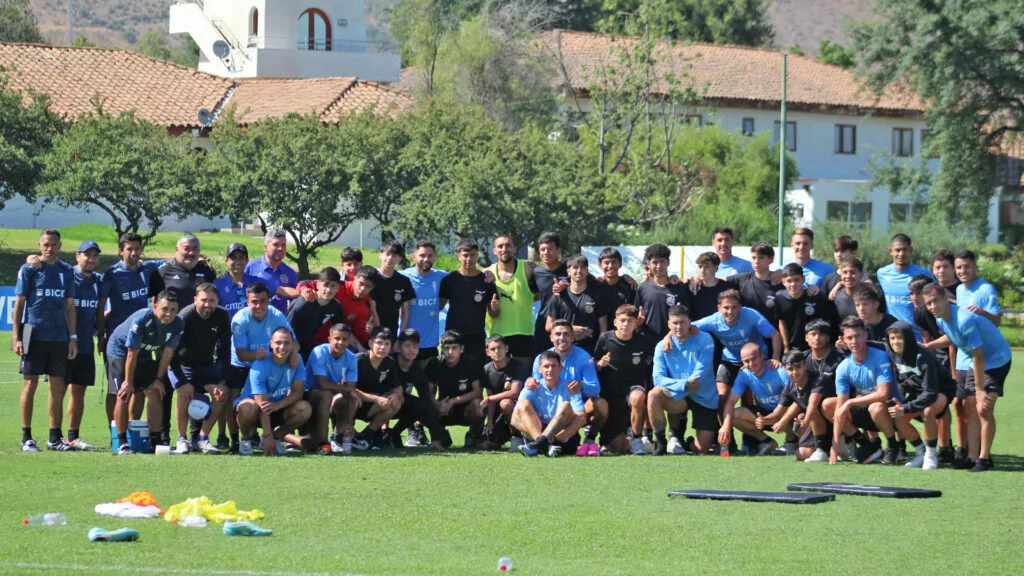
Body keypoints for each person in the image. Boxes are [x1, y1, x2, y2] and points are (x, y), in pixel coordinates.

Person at [922, 284, 1012, 472]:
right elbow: (952, 338)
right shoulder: (941, 319)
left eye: (935, 301)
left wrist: (980, 391)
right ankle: (972, 457)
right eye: (928, 303)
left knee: (983, 408)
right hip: (977, 361)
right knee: (969, 406)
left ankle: (984, 459)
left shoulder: (964, 319)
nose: (932, 307)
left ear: (945, 299)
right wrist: (928, 345)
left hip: (996, 360)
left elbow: (978, 356)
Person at [13, 229, 77, 452]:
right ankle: (26, 437)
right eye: (46, 244)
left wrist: (73, 337)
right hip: (33, 332)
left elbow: (70, 307)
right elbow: (19, 303)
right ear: (39, 245)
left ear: (60, 246)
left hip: (59, 336)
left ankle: (54, 438)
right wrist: (17, 335)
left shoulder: (66, 271)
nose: (50, 248)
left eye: (54, 245)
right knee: (29, 385)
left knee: (57, 388)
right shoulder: (30, 269)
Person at [823, 317, 910, 465]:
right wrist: (835, 441)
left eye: (857, 336)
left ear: (865, 335)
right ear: (844, 339)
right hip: (867, 412)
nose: (854, 341)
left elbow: (883, 394)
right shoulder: (843, 367)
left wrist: (851, 401)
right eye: (849, 338)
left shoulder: (881, 356)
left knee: (876, 406)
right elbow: (839, 408)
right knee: (828, 404)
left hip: (892, 411)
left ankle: (892, 446)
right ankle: (865, 444)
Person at [106, 291, 183, 454]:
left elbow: (168, 353)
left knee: (155, 391)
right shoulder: (142, 319)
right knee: (124, 393)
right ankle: (122, 442)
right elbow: (131, 353)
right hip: (120, 351)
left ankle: (154, 440)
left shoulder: (178, 323)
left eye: (173, 310)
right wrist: (128, 381)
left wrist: (158, 378)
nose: (169, 314)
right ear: (154, 306)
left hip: (146, 352)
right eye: (164, 309)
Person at [692, 290, 782, 422]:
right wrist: (667, 337)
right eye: (726, 308)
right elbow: (686, 326)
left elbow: (775, 335)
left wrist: (775, 358)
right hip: (730, 360)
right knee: (721, 397)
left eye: (734, 307)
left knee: (752, 400)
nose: (730, 311)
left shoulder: (750, 315)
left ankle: (757, 440)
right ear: (719, 308)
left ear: (740, 307)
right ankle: (727, 439)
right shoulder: (713, 320)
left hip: (756, 360)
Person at [227, 283, 297, 453]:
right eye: (254, 302)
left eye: (263, 301)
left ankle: (272, 437)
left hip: (266, 365)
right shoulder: (239, 319)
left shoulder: (276, 315)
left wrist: (294, 354)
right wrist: (259, 355)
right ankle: (238, 440)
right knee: (239, 405)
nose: (259, 306)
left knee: (266, 402)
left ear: (269, 301)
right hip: (242, 365)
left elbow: (292, 340)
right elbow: (242, 354)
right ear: (247, 302)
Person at [170, 283, 230, 454]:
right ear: (195, 299)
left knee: (220, 395)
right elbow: (172, 353)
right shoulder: (184, 317)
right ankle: (182, 439)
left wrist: (222, 381)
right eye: (203, 300)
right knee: (183, 392)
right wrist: (182, 381)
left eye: (212, 301)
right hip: (183, 365)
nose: (207, 305)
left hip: (206, 366)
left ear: (217, 300)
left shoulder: (222, 315)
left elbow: (225, 349)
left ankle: (202, 439)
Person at [649, 305, 717, 455]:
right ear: (669, 324)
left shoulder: (705, 339)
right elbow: (658, 379)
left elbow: (701, 373)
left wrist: (687, 384)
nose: (679, 326)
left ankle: (687, 443)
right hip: (681, 395)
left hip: (703, 396)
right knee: (654, 394)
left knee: (702, 449)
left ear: (689, 323)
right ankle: (661, 442)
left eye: (682, 322)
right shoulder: (662, 346)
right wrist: (684, 385)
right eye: (675, 323)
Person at [884, 321, 953, 470]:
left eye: (899, 338)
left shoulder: (923, 357)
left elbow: (930, 393)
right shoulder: (891, 351)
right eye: (892, 338)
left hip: (940, 390)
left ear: (908, 338)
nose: (895, 342)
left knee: (928, 411)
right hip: (918, 392)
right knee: (898, 417)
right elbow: (874, 344)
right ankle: (920, 451)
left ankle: (931, 454)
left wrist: (906, 407)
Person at [529, 320, 604, 455]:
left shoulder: (583, 357)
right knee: (521, 406)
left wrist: (581, 385)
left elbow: (595, 389)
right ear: (551, 338)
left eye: (566, 334)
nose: (562, 338)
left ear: (572, 337)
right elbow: (536, 387)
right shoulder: (541, 359)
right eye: (557, 334)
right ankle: (535, 439)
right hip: (548, 408)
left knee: (601, 404)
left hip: (576, 408)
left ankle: (589, 439)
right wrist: (530, 382)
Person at [234, 328, 313, 456]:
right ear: (271, 344)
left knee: (304, 409)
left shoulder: (296, 360)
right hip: (255, 409)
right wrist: (267, 434)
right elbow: (262, 405)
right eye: (278, 343)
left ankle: (276, 438)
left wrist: (277, 406)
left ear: (292, 344)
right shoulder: (260, 364)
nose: (282, 347)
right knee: (248, 407)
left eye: (287, 343)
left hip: (276, 407)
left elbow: (298, 393)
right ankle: (246, 440)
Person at [909, 275, 958, 463]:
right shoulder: (919, 312)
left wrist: (953, 374)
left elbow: (953, 343)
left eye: (918, 293)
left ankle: (948, 446)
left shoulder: (943, 309)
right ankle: (943, 446)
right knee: (938, 405)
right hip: (936, 355)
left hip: (957, 353)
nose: (914, 297)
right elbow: (927, 340)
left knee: (949, 404)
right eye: (911, 293)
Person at [593, 305, 655, 455]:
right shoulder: (605, 339)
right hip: (611, 393)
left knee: (638, 397)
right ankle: (608, 438)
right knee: (617, 447)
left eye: (630, 321)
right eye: (622, 320)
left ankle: (637, 439)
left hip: (633, 389)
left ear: (636, 323)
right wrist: (600, 364)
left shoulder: (644, 341)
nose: (625, 324)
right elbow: (594, 365)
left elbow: (650, 367)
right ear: (615, 322)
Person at [63, 240, 103, 451]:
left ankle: (73, 436)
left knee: (79, 391)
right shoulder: (66, 276)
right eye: (87, 254)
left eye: (95, 255)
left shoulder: (99, 281)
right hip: (63, 344)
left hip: (86, 345)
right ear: (77, 256)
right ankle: (55, 436)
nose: (91, 259)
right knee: (58, 390)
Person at [758, 350, 831, 462]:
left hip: (833, 421)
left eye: (798, 367)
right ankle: (825, 449)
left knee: (809, 412)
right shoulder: (790, 387)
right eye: (790, 369)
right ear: (785, 369)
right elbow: (777, 414)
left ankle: (825, 449)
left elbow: (812, 403)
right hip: (815, 424)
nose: (794, 372)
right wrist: (764, 420)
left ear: (805, 365)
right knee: (800, 455)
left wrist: (805, 421)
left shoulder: (818, 379)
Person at [719, 343, 789, 456]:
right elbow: (730, 402)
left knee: (799, 415)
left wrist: (783, 419)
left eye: (754, 359)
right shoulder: (744, 375)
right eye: (746, 361)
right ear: (742, 361)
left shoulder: (779, 370)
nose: (751, 364)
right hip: (765, 416)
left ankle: (792, 442)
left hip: (785, 412)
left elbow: (795, 399)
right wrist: (725, 426)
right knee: (733, 415)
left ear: (762, 356)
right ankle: (767, 441)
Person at [512, 351, 586, 458]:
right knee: (523, 404)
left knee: (565, 406)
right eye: (546, 366)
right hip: (537, 431)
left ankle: (539, 445)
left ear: (560, 368)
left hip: (561, 438)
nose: (550, 370)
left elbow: (581, 417)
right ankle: (542, 444)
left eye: (553, 366)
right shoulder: (532, 387)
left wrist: (555, 438)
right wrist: (541, 437)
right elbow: (514, 419)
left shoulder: (570, 387)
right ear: (539, 369)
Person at [341, 327, 404, 450]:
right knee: (352, 396)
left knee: (398, 400)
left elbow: (398, 387)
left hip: (373, 406)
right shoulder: (357, 359)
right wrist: (376, 399)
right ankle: (343, 434)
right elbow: (346, 387)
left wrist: (395, 395)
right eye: (379, 343)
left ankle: (365, 435)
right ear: (370, 343)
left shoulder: (390, 362)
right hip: (352, 404)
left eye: (387, 344)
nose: (382, 347)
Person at [439, 238, 498, 365]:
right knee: (450, 374)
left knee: (476, 376)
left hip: (476, 337)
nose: (469, 259)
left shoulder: (486, 281)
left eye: (472, 255)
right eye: (465, 255)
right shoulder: (450, 280)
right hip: (453, 336)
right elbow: (439, 306)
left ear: (477, 255)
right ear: (458, 256)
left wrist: (495, 308)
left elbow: (493, 313)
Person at [305, 323, 359, 454]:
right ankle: (324, 444)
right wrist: (346, 389)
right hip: (308, 394)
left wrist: (349, 392)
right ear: (329, 339)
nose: (341, 342)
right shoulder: (319, 352)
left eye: (345, 339)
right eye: (337, 338)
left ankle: (338, 436)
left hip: (332, 393)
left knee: (350, 399)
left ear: (349, 340)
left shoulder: (351, 357)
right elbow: (322, 384)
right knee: (327, 395)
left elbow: (351, 386)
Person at [426, 331, 485, 448]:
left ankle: (473, 436)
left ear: (461, 348)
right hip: (443, 408)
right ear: (441, 349)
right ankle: (439, 434)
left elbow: (477, 391)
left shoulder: (471, 362)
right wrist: (437, 404)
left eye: (454, 348)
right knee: (422, 405)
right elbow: (427, 391)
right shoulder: (435, 363)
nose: (450, 352)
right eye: (446, 348)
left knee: (479, 404)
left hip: (465, 408)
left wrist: (452, 401)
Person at [487, 235, 540, 364]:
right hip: (497, 335)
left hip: (523, 332)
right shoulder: (486, 274)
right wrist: (491, 308)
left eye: (508, 245)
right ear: (494, 250)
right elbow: (485, 308)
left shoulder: (529, 268)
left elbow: (551, 276)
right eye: (500, 246)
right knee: (498, 379)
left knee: (523, 378)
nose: (504, 249)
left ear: (515, 249)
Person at [544, 255, 607, 355]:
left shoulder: (597, 296)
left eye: (583, 267)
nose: (579, 270)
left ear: (587, 271)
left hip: (589, 351)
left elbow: (603, 328)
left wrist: (599, 352)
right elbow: (548, 326)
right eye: (575, 267)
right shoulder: (558, 296)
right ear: (568, 271)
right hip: (563, 350)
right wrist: (571, 329)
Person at [392, 329, 441, 450]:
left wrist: (435, 438)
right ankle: (370, 434)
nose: (411, 350)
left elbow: (426, 400)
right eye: (407, 346)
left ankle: (394, 432)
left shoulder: (417, 372)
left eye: (415, 346)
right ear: (398, 347)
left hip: (399, 404)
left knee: (419, 405)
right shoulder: (388, 363)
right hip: (378, 402)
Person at [876, 234, 933, 338]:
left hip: (918, 336)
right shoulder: (882, 274)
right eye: (897, 250)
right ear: (891, 251)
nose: (901, 254)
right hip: (893, 336)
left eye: (904, 250)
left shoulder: (924, 274)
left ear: (910, 250)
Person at [402, 240, 448, 363]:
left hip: (430, 344)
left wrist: (487, 273)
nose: (426, 259)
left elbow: (463, 275)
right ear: (413, 256)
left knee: (430, 382)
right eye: (422, 255)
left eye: (430, 255)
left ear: (434, 257)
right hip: (406, 343)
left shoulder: (442, 277)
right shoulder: (402, 277)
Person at [481, 335, 528, 451]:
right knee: (485, 445)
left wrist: (490, 399)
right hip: (498, 412)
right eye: (493, 349)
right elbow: (490, 397)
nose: (497, 351)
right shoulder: (486, 369)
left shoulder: (517, 366)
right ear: (487, 352)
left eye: (500, 348)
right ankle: (479, 435)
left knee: (505, 403)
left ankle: (517, 436)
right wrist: (490, 422)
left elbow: (514, 392)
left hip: (517, 411)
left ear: (506, 349)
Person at [775, 263, 835, 353]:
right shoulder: (780, 297)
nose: (793, 284)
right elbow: (781, 322)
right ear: (783, 282)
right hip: (792, 348)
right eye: (789, 281)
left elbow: (824, 322)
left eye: (796, 280)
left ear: (803, 279)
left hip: (813, 347)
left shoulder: (815, 297)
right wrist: (786, 346)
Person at [286, 267, 345, 359]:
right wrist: (292, 345)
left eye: (333, 285)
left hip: (309, 346)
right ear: (318, 285)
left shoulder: (335, 306)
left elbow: (341, 329)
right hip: (290, 345)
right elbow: (285, 327)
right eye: (326, 285)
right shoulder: (303, 303)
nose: (329, 289)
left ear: (338, 288)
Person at [634, 243, 689, 339]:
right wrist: (638, 323)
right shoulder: (642, 288)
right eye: (655, 262)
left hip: (674, 341)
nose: (659, 266)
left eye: (662, 261)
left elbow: (687, 318)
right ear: (648, 264)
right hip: (647, 341)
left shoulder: (680, 288)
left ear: (668, 262)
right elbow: (636, 316)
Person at [151, 234, 217, 305]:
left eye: (195, 249)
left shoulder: (207, 270)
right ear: (177, 249)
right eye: (186, 249)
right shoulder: (162, 272)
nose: (191, 253)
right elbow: (155, 303)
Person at [726, 241, 783, 324]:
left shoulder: (780, 281)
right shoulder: (742, 279)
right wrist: (699, 277)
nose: (756, 261)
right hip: (748, 334)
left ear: (771, 259)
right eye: (754, 257)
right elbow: (717, 280)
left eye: (761, 257)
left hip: (772, 333)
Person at [244, 230, 299, 314]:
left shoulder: (290, 273)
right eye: (276, 245)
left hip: (281, 324)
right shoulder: (251, 268)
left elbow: (296, 301)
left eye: (283, 245)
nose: (281, 248)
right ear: (265, 247)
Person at [532, 232, 569, 353]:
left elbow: (594, 282)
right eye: (542, 249)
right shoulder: (536, 272)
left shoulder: (571, 268)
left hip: (568, 322)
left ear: (558, 250)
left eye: (550, 249)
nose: (546, 253)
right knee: (543, 362)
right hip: (544, 324)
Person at [370, 240, 415, 333]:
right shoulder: (371, 277)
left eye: (394, 256)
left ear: (399, 259)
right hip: (371, 330)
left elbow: (405, 312)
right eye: (387, 254)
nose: (390, 258)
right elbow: (372, 308)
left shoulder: (403, 281)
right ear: (380, 255)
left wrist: (402, 334)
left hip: (392, 331)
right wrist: (378, 331)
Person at [335, 265, 378, 350]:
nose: (362, 289)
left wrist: (370, 332)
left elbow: (360, 333)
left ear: (372, 288)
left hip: (338, 339)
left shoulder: (366, 304)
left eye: (368, 286)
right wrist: (304, 289)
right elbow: (310, 284)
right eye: (361, 284)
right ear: (354, 279)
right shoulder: (339, 286)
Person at [954, 249, 1002, 326]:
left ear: (975, 267)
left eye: (967, 266)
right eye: (959, 267)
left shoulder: (986, 289)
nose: (963, 271)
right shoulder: (959, 289)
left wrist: (983, 313)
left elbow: (997, 322)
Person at [687, 252, 738, 321]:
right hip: (696, 329)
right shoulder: (692, 287)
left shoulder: (727, 288)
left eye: (706, 267)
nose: (702, 270)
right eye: (700, 267)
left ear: (716, 268)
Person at [596, 247, 636, 330]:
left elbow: (635, 312)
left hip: (624, 334)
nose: (610, 266)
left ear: (620, 264)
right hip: (599, 336)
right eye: (606, 263)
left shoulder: (629, 286)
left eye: (614, 262)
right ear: (600, 265)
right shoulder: (595, 286)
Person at [213, 243, 256, 316]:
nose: (238, 262)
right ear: (226, 261)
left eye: (241, 258)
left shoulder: (256, 282)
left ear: (247, 261)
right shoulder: (217, 285)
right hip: (227, 327)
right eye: (233, 258)